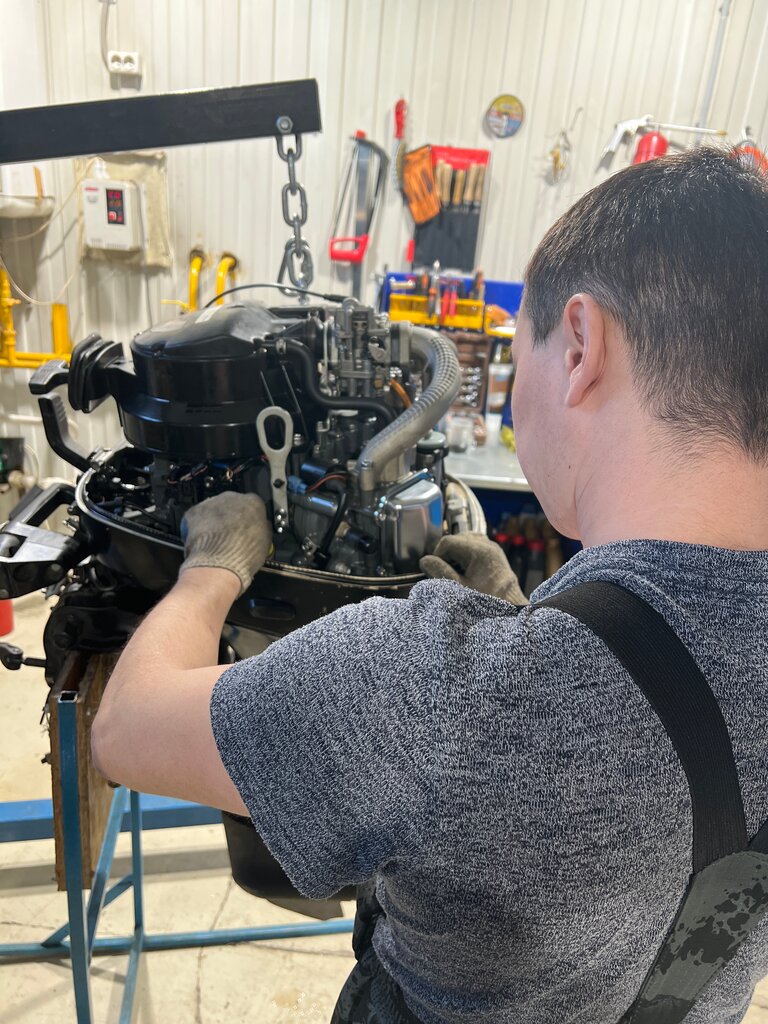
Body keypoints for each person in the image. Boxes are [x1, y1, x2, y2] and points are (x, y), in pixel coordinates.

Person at [91, 147, 768, 1024]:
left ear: (579, 345)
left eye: (519, 351)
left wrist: (208, 572)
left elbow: (126, 729)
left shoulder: (429, 687)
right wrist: (540, 622)